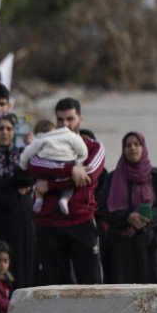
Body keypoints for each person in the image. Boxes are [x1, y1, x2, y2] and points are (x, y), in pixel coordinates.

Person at [27, 98, 106, 285]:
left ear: (80, 119)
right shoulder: (44, 146)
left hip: (81, 222)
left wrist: (49, 184)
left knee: (92, 287)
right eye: (60, 120)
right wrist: (71, 171)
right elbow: (33, 165)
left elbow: (89, 176)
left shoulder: (94, 147)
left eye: (70, 119)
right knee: (54, 290)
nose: (65, 125)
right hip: (47, 224)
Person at [97, 132, 157, 284]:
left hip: (153, 247)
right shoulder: (112, 179)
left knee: (156, 296)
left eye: (136, 144)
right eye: (128, 145)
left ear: (143, 147)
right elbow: (104, 209)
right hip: (122, 247)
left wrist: (140, 220)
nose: (132, 148)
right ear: (123, 149)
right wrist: (127, 218)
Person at [0, 113, 35, 289]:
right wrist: (11, 185)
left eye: (9, 129)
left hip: (19, 223)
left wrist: (30, 146)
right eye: (0, 128)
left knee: (20, 268)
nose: (5, 132)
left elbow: (27, 180)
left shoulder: (23, 154)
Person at [19, 118, 88, 215]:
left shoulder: (40, 139)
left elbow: (27, 153)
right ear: (55, 127)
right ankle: (64, 199)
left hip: (47, 164)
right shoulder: (67, 134)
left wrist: (23, 165)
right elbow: (82, 148)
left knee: (38, 180)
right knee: (68, 187)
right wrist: (79, 163)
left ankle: (39, 198)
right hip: (67, 162)